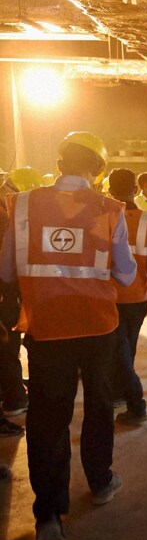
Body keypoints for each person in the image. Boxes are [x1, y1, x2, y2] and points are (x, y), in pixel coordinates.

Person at [0, 131, 136, 540]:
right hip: (97, 327)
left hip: (46, 329)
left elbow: (6, 272)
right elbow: (127, 274)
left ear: (59, 163)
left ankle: (49, 518)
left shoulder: (22, 205)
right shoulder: (110, 210)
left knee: (48, 419)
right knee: (98, 407)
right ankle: (100, 482)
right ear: (98, 169)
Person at [107, 169, 147, 424]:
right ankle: (124, 395)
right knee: (127, 346)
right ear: (135, 189)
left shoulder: (103, 217)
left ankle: (124, 395)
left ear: (110, 191)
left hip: (108, 296)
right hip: (137, 295)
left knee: (116, 349)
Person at [0, 173, 27, 435]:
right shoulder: (3, 219)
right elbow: (6, 270)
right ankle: (14, 399)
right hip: (4, 295)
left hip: (7, 293)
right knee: (6, 349)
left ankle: (14, 393)